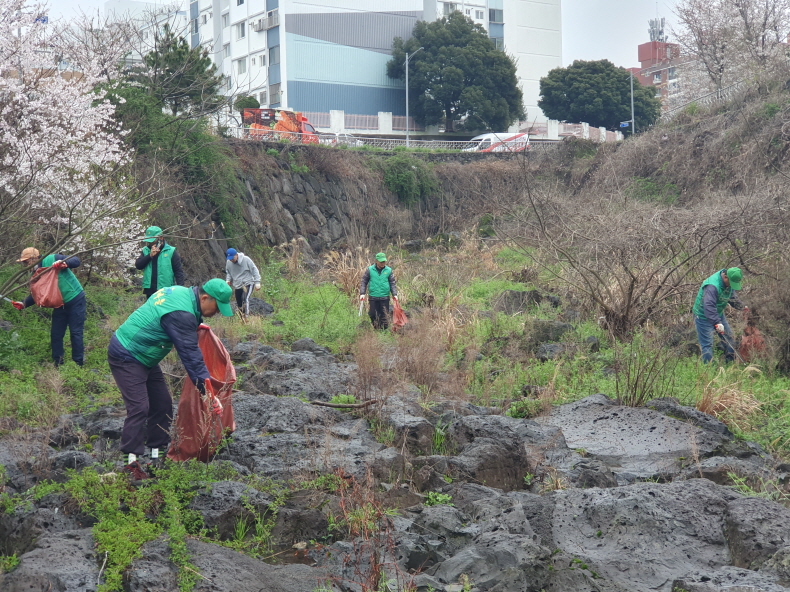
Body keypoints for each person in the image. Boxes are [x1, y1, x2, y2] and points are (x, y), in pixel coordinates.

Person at [108, 279, 234, 478]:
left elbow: (172, 318)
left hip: (147, 358)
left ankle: (155, 458)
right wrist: (208, 394)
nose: (217, 313)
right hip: (127, 355)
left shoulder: (181, 293)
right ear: (204, 298)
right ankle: (130, 466)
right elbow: (191, 357)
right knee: (140, 408)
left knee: (163, 404)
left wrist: (197, 325)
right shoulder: (182, 314)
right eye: (217, 308)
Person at [12, 248, 86, 367]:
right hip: (60, 304)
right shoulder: (36, 274)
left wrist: (65, 263)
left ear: (34, 258)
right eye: (24, 262)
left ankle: (78, 364)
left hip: (75, 299)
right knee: (56, 333)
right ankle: (58, 362)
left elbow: (76, 260)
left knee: (75, 332)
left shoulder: (52, 259)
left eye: (26, 262)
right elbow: (37, 293)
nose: (25, 264)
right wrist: (23, 303)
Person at [692, 267, 747, 363]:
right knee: (707, 344)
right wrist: (717, 323)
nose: (732, 286)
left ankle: (729, 364)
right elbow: (708, 306)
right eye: (731, 283)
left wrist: (743, 307)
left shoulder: (728, 283)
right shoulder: (712, 286)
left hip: (717, 313)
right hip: (703, 316)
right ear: (725, 277)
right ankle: (708, 370)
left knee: (729, 339)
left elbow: (732, 297)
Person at [135, 226, 185, 298]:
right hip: (150, 290)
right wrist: (150, 256)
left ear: (161, 238)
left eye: (153, 241)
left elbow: (178, 271)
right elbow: (138, 266)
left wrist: (180, 289)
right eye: (149, 242)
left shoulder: (171, 251)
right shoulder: (145, 250)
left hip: (166, 290)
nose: (151, 244)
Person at [359, 252, 398, 330]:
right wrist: (362, 293)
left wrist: (394, 294)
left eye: (384, 261)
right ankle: (377, 328)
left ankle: (385, 331)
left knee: (384, 315)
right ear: (376, 261)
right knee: (372, 314)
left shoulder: (389, 270)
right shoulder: (370, 270)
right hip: (373, 296)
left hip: (385, 297)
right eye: (381, 262)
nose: (383, 263)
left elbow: (392, 283)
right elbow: (364, 281)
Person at [225, 248, 261, 316]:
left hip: (248, 283)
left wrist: (257, 282)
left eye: (232, 258)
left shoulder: (246, 259)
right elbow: (228, 272)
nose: (231, 260)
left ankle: (246, 317)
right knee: (239, 302)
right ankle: (242, 317)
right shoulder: (229, 262)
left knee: (245, 299)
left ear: (236, 255)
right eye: (230, 259)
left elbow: (254, 269)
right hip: (237, 285)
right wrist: (228, 280)